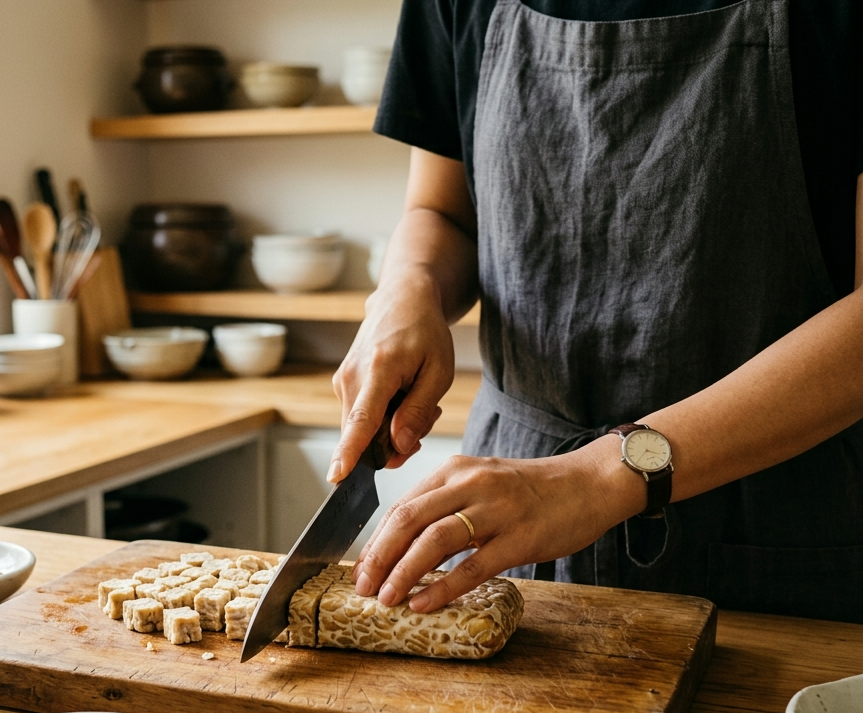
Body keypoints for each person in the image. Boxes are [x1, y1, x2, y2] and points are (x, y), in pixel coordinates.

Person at [332, 0, 863, 622]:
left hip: (777, 520)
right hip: (514, 514)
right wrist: (405, 288)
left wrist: (596, 478)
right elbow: (443, 212)